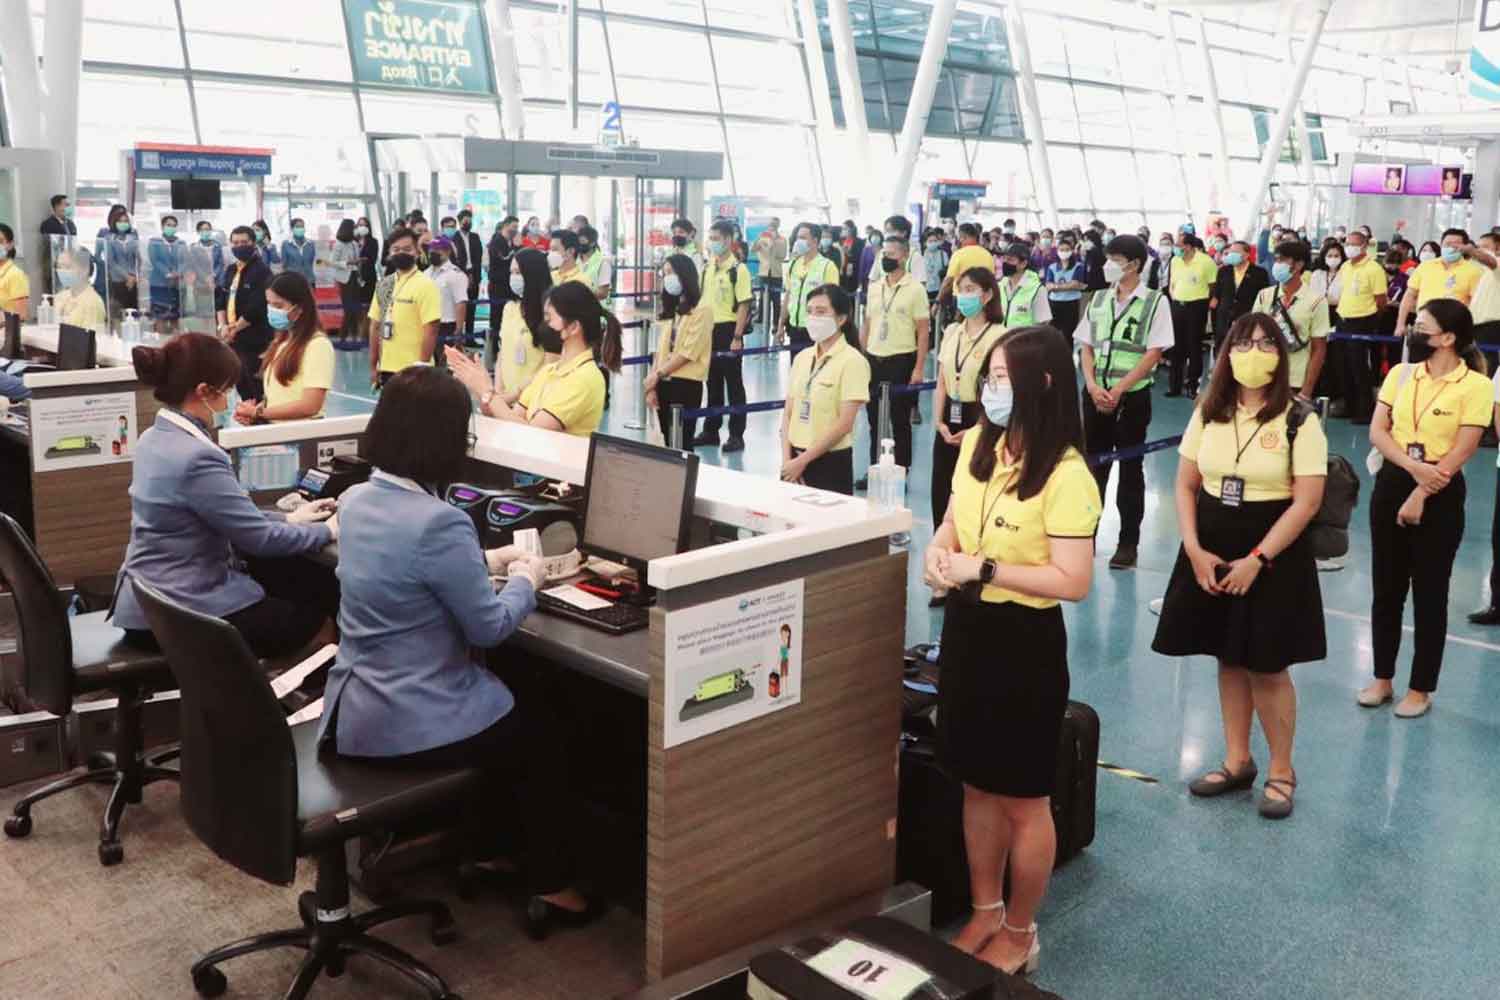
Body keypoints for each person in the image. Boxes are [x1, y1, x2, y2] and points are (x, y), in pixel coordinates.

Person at [320, 366, 598, 937]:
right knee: (546, 732)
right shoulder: (439, 523)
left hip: (356, 708)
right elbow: (490, 628)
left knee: (515, 709)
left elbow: (411, 575)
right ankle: (551, 880)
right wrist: (527, 576)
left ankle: (493, 849)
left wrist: (482, 563)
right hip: (411, 719)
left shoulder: (357, 500)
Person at [922, 325, 1100, 976]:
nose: (989, 389)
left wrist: (985, 569)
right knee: (974, 783)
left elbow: (1072, 580)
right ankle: (985, 910)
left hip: (1024, 644)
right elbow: (951, 518)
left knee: (1023, 797)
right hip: (968, 631)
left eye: (1002, 377)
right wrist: (940, 553)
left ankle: (1022, 931)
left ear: (1042, 384)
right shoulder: (977, 443)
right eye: (988, 376)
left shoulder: (1068, 473)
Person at [1153, 314, 1328, 819]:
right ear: (1227, 352)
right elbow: (1186, 484)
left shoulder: (1299, 418)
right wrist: (1192, 547)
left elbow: (1307, 502)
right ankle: (1237, 760)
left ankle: (1282, 770)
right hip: (1209, 545)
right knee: (1227, 656)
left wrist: (1258, 559)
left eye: (1265, 343)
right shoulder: (1209, 410)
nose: (1254, 352)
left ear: (1281, 355)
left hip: (1272, 550)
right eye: (1244, 343)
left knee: (1268, 665)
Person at [111, 333, 337, 657]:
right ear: (203, 391)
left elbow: (218, 514)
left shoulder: (153, 439)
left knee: (285, 586)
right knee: (319, 620)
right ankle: (282, 705)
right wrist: (329, 529)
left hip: (149, 604)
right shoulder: (197, 457)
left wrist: (289, 518)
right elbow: (259, 539)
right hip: (183, 613)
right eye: (226, 390)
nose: (228, 399)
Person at [1359, 300, 1491, 718]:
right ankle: (1382, 677)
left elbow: (1465, 446)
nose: (1414, 333)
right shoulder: (1401, 374)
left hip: (1442, 487)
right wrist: (1413, 469)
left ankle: (1421, 687)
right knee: (1387, 588)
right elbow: (1379, 431)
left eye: (1423, 327)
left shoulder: (1476, 386)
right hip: (1396, 477)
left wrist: (1423, 489)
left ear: (1448, 339)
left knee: (1430, 593)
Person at [1075, 235, 1173, 570]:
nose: (1108, 266)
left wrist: (1119, 389)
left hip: (1131, 399)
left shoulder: (1154, 302)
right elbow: (1085, 345)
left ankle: (1127, 543)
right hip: (1094, 395)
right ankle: (1084, 537)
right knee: (1092, 469)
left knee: (1131, 470)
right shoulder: (1099, 299)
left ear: (1134, 264)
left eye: (1115, 259)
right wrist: (1090, 385)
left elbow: (1154, 352)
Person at [446, 280, 621, 436]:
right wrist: (480, 387)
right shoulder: (549, 371)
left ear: (574, 327)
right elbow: (513, 418)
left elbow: (533, 434)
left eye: (549, 318)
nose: (544, 325)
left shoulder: (585, 378)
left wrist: (487, 392)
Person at [931, 267, 1007, 529]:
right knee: (941, 485)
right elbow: (942, 379)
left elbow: (1000, 390)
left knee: (973, 485)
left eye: (970, 290)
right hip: (949, 414)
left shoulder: (1000, 335)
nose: (963, 296)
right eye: (961, 290)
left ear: (987, 296)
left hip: (982, 417)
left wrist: (978, 428)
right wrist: (938, 422)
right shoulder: (952, 331)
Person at [778, 284, 870, 494]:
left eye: (821, 312)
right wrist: (787, 462)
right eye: (809, 311)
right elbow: (788, 414)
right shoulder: (802, 358)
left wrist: (803, 461)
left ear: (841, 318)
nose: (813, 318)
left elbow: (844, 424)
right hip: (792, 462)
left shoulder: (852, 361)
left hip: (829, 463)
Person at [858, 236, 929, 481]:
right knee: (874, 420)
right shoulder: (875, 287)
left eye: (891, 254)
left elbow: (922, 331)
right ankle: (874, 470)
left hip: (901, 360)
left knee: (900, 420)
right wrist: (862, 355)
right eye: (883, 254)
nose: (885, 259)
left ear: (904, 256)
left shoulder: (915, 289)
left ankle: (901, 471)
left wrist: (919, 368)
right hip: (874, 360)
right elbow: (867, 323)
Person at [234, 272, 335, 424]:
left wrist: (259, 412)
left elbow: (310, 405)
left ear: (299, 308)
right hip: (278, 433)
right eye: (269, 304)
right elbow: (280, 397)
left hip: (300, 435)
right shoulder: (281, 341)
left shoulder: (317, 345)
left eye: (279, 305)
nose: (272, 310)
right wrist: (255, 415)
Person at [693, 219, 754, 453]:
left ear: (729, 240)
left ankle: (737, 435)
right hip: (709, 330)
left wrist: (737, 336)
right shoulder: (708, 268)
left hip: (729, 330)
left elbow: (743, 305)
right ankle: (711, 431)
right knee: (713, 384)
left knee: (734, 385)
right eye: (711, 238)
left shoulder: (738, 270)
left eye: (717, 238)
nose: (713, 243)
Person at [644, 254, 712, 447]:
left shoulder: (703, 310)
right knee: (666, 440)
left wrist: (657, 374)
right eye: (665, 273)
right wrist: (653, 383)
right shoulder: (672, 310)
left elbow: (687, 353)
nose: (668, 278)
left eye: (672, 272)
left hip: (686, 383)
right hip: (663, 381)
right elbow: (661, 349)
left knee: (682, 443)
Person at [1251, 241, 1330, 400]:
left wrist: (1306, 391)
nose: (1277, 265)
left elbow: (1319, 349)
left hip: (1295, 379)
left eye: (1283, 260)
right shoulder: (1264, 295)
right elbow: (1252, 334)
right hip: (1263, 375)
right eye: (1276, 260)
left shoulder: (1316, 301)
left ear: (1299, 264)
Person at [367, 227, 441, 389]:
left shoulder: (426, 285)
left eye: (407, 249)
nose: (401, 253)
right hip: (386, 368)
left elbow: (431, 329)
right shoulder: (384, 285)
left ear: (417, 252)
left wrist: (422, 366)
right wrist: (373, 365)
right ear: (389, 253)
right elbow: (375, 326)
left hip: (415, 370)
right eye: (396, 249)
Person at [1329, 229, 1388, 423]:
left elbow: (1381, 300)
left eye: (1354, 244)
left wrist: (1371, 322)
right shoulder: (1346, 266)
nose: (1349, 248)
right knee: (1342, 366)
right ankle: (1348, 404)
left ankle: (1364, 410)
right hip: (1343, 319)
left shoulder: (1374, 269)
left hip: (1362, 321)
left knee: (1359, 367)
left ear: (1364, 246)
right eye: (1347, 244)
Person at [483, 248, 554, 409]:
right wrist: (499, 389)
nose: (513, 278)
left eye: (518, 272)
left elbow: (549, 364)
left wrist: (515, 395)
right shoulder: (510, 308)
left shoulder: (550, 312)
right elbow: (503, 351)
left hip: (534, 400)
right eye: (512, 272)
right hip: (506, 397)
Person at [215, 226, 274, 401]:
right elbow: (221, 299)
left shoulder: (262, 271)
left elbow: (257, 306)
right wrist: (223, 326)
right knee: (240, 382)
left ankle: (261, 420)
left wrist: (236, 328)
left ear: (253, 243)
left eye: (244, 242)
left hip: (254, 337)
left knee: (256, 384)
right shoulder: (231, 270)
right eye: (235, 243)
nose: (239, 246)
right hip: (232, 338)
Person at [1395, 228, 1488, 336]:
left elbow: (1476, 303)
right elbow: (1409, 296)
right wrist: (1400, 324)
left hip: (1454, 328)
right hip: (1423, 325)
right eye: (1447, 244)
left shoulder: (1474, 271)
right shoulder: (1425, 266)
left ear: (1465, 247)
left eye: (1456, 244)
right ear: (1441, 245)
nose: (1451, 247)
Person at [1167, 234, 1216, 399]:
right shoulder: (1175, 261)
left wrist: (1205, 301)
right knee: (1176, 346)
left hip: (1197, 307)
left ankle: (1192, 385)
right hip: (1177, 305)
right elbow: (1172, 282)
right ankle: (1174, 386)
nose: (1176, 248)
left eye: (1178, 245)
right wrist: (1174, 296)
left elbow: (1212, 285)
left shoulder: (1206, 261)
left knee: (1194, 346)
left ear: (1188, 246)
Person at [778, 223, 839, 353]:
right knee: (798, 369)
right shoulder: (793, 265)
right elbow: (789, 297)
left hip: (818, 331)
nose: (798, 241)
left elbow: (834, 303)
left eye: (803, 238)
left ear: (815, 241)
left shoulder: (827, 267)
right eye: (798, 238)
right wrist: (781, 325)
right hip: (794, 329)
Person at [1209, 240, 1271, 353]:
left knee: (1243, 352)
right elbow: (1216, 297)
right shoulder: (1223, 271)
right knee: (1222, 353)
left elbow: (1264, 298)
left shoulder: (1259, 273)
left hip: (1246, 319)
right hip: (1224, 321)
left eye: (1236, 251)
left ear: (1247, 255)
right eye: (1230, 251)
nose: (1231, 254)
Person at [425, 235, 470, 359]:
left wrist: (459, 331)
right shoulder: (426, 273)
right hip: (427, 323)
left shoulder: (455, 275)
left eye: (437, 249)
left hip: (447, 325)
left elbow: (461, 303)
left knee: (447, 365)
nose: (433, 252)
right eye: (431, 249)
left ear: (447, 251)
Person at [486, 215, 523, 368]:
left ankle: (507, 350)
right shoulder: (496, 243)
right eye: (513, 226)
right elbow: (504, 261)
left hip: (510, 288)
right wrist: (516, 248)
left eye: (517, 227)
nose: (515, 230)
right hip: (498, 287)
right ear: (505, 225)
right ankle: (495, 353)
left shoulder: (509, 242)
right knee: (497, 321)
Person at [147, 215, 187, 336]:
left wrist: (178, 273)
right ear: (162, 226)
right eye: (169, 225)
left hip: (176, 284)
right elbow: (155, 260)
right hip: (159, 284)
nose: (171, 227)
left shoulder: (181, 243)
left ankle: (175, 343)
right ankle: (160, 341)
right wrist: (167, 274)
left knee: (175, 315)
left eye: (174, 225)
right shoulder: (154, 242)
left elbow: (185, 261)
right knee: (160, 316)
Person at [97, 205, 139, 321]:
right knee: (118, 314)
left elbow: (138, 259)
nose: (123, 223)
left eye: (126, 221)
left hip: (134, 281)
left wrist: (134, 276)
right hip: (117, 281)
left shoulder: (133, 238)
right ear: (114, 222)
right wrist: (127, 277)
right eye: (120, 221)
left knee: (133, 313)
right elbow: (111, 262)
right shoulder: (109, 238)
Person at [997, 243, 1051, 329]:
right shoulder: (1000, 286)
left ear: (1023, 264)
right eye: (1004, 259)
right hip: (1002, 339)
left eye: (1010, 260)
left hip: (1025, 340)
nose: (1005, 263)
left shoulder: (1037, 289)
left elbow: (1043, 322)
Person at [52, 247, 106, 330]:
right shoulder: (60, 297)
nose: (61, 271)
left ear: (85, 270)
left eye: (67, 267)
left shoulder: (93, 303)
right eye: (59, 266)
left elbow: (89, 340)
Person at [939, 223, 994, 304]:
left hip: (961, 298)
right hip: (981, 298)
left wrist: (938, 301)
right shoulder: (987, 254)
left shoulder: (959, 254)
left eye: (958, 237)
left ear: (963, 237)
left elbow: (948, 281)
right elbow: (991, 280)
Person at [452, 210, 484, 344]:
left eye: (470, 220)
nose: (468, 222)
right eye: (465, 220)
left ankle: (470, 338)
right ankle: (457, 339)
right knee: (459, 308)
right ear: (460, 222)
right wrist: (465, 274)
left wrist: (473, 275)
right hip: (459, 275)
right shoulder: (454, 238)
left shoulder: (475, 237)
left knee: (472, 308)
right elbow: (454, 259)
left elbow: (479, 257)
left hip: (474, 275)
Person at [1044, 236, 1086, 337]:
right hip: (1054, 303)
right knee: (1052, 332)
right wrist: (1068, 286)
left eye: (1067, 249)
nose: (1064, 252)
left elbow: (1075, 284)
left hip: (1071, 303)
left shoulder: (1078, 266)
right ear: (1057, 251)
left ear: (1072, 251)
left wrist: (1056, 287)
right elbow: (1048, 286)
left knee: (1069, 332)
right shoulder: (1052, 267)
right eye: (1061, 250)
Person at [327, 219, 361, 342]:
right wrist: (347, 263)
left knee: (355, 308)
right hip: (344, 279)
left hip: (354, 276)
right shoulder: (338, 244)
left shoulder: (354, 243)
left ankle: (354, 336)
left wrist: (358, 262)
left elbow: (356, 259)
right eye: (354, 227)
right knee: (348, 308)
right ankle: (343, 337)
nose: (356, 229)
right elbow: (332, 262)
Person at [753, 219, 788, 334]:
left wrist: (774, 242)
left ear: (778, 225)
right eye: (771, 223)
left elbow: (782, 256)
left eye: (775, 223)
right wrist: (759, 239)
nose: (772, 225)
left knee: (776, 300)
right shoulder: (762, 237)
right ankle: (762, 320)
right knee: (763, 299)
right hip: (763, 271)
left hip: (776, 273)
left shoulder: (782, 240)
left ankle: (775, 324)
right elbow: (753, 250)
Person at [39, 194, 77, 295]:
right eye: (66, 205)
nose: (68, 208)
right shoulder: (48, 224)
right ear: (57, 206)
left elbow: (73, 243)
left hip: (69, 266)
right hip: (55, 266)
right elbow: (49, 245)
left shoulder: (71, 224)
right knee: (57, 297)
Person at [0, 223, 30, 319]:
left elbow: (21, 315)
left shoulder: (15, 275)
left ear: (10, 244)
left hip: (6, 332)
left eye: (0, 241)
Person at [575, 224, 613, 302]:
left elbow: (603, 293)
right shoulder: (575, 260)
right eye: (577, 242)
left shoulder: (603, 262)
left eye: (582, 241)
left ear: (592, 243)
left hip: (597, 310)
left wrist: (579, 294)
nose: (579, 244)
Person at [280, 218, 316, 284]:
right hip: (292, 281)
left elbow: (311, 262)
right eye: (297, 227)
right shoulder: (286, 244)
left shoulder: (311, 244)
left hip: (309, 280)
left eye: (302, 226)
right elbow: (284, 264)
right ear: (292, 229)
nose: (300, 229)